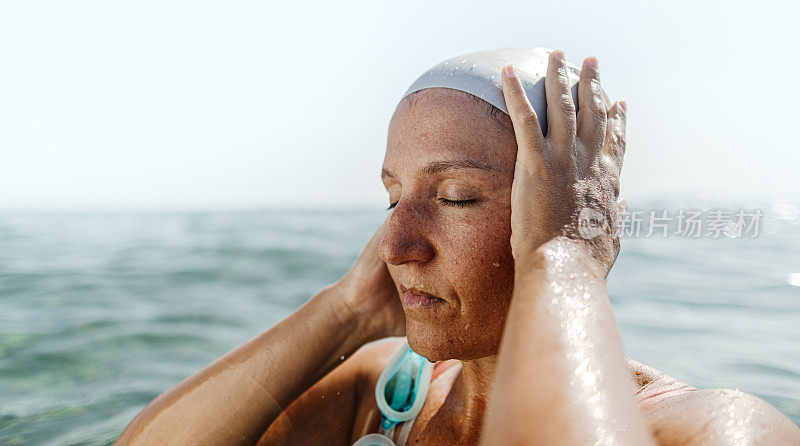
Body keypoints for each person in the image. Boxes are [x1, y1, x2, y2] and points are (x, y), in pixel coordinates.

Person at [115, 48, 800, 445]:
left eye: (455, 198)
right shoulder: (388, 396)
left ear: (584, 215)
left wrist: (561, 257)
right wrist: (346, 314)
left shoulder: (717, 429)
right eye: (392, 196)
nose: (396, 241)